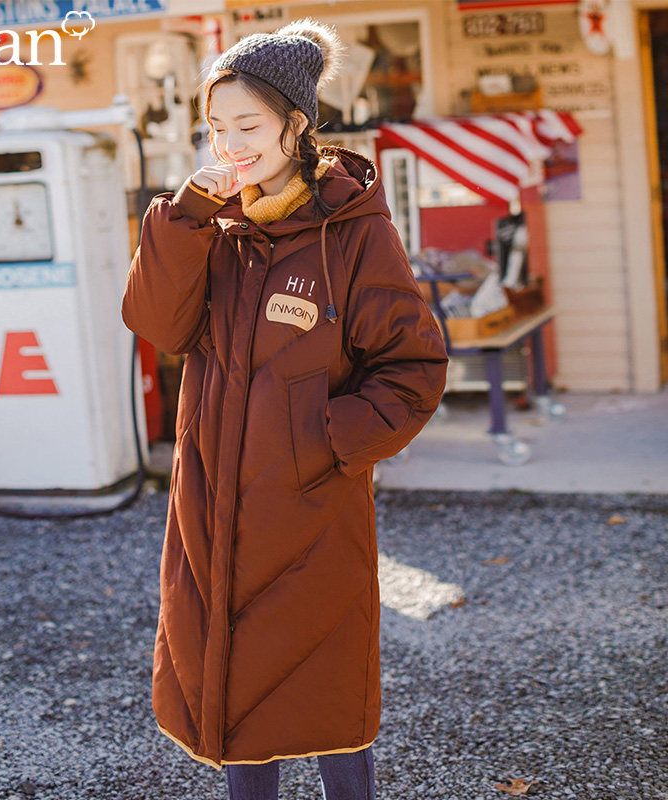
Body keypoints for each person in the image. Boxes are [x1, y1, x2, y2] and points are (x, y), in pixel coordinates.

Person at [121, 17, 449, 800]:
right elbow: (158, 325)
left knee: (324, 691)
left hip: (310, 513)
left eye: (249, 125)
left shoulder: (353, 233)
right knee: (232, 695)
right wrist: (186, 218)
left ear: (295, 126)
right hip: (212, 510)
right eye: (216, 127)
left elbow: (413, 365)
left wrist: (328, 441)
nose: (231, 143)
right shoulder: (213, 228)